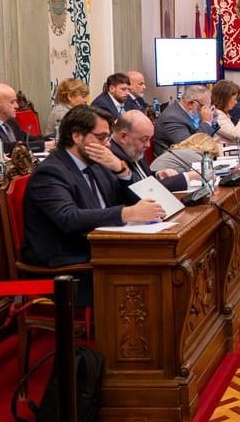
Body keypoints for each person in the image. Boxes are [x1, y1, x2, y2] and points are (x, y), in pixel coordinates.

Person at [22, 105, 166, 306]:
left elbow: (136, 199)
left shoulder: (98, 163)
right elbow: (69, 219)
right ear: (77, 137)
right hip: (69, 265)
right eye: (101, 138)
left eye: (107, 138)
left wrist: (121, 170)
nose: (107, 145)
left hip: (101, 248)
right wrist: (127, 213)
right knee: (153, 274)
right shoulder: (51, 172)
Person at [108, 110, 196, 192]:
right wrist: (185, 178)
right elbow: (140, 191)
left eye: (149, 139)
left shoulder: (133, 150)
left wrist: (158, 175)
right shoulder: (111, 159)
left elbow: (144, 178)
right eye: (144, 139)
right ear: (123, 137)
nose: (148, 145)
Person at [153, 84, 218, 156]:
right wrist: (206, 122)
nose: (207, 110)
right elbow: (191, 148)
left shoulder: (191, 113)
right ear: (191, 104)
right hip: (174, 164)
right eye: (204, 107)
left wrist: (213, 121)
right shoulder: (172, 118)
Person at [150, 132, 223, 176]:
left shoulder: (181, 152)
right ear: (210, 149)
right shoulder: (194, 155)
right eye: (213, 156)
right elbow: (208, 175)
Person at [210, 79, 240, 145]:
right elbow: (236, 135)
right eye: (234, 99)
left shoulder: (224, 113)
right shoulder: (216, 115)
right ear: (225, 99)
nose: (236, 102)